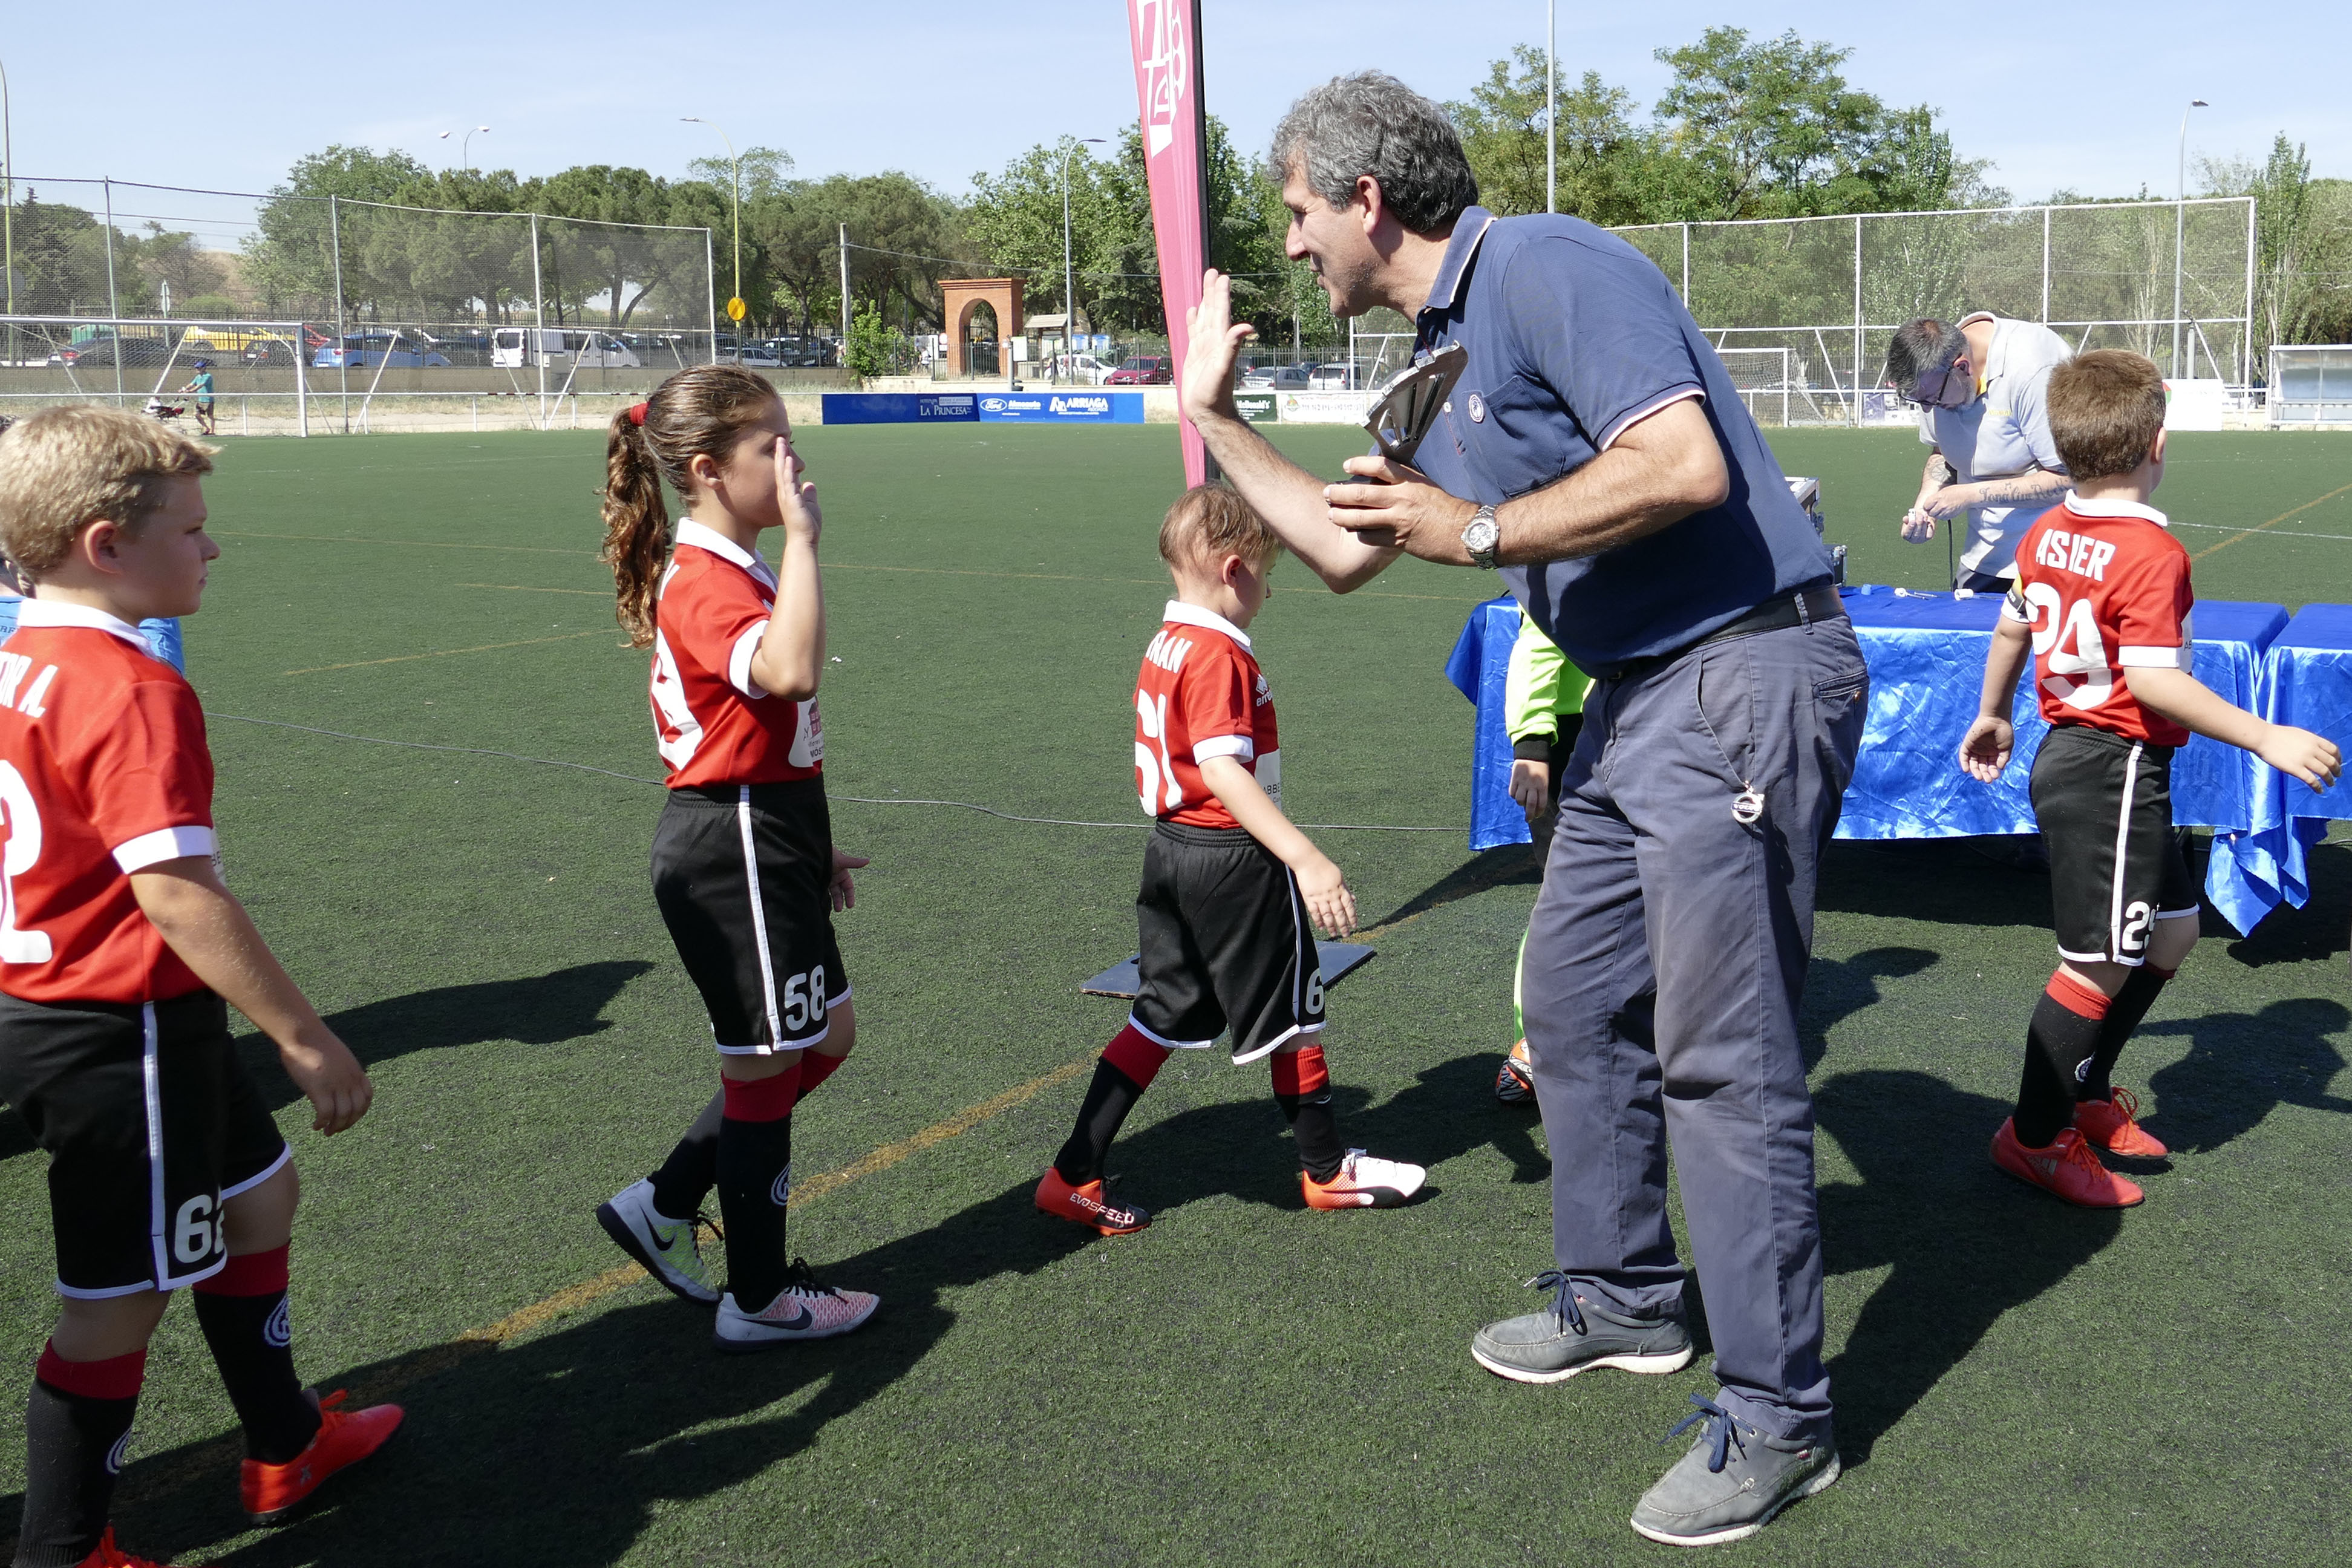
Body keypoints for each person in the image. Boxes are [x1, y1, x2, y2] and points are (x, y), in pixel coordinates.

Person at [1176, 71, 1861, 1546]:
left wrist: (1479, 528)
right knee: (1569, 995)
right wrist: (1209, 417)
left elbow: (1681, 464)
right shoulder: (1434, 353)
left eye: (1296, 211)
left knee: (1722, 1058)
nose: (1289, 244)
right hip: (1635, 692)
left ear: (1366, 201)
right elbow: (1346, 553)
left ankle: (1780, 1418)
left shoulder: (1546, 265)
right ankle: (1622, 1296)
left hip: (1740, 666)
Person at [0, 407, 398, 1568]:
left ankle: (286, 1440)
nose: (212, 547)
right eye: (190, 528)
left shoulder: (19, 660)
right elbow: (176, 895)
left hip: (106, 1012)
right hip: (113, 1030)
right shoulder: (129, 686)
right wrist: (304, 1035)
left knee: (259, 1198)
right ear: (104, 545)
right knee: (116, 1302)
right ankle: (64, 1549)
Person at [1958, 350, 2341, 1206]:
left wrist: (1994, 710)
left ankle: (2086, 1092)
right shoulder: (2152, 552)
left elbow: (2013, 623)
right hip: (2111, 767)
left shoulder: (2045, 530)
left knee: (2171, 936)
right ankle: (2033, 1137)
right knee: (2096, 965)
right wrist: (2266, 736)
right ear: (2157, 443)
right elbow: (2155, 681)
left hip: (2105, 763)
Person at [1036, 483, 1426, 1235]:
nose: (1268, 593)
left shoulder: (1169, 640)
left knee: (1161, 1012)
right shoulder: (1217, 652)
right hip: (1233, 858)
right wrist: (1305, 858)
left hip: (1172, 852)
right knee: (1295, 1017)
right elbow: (1221, 768)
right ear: (1234, 569)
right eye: (1268, 575)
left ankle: (1073, 1173)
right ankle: (1326, 1171)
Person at [590, 365, 878, 1353]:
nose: (792, 461)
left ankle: (665, 1201)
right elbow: (788, 672)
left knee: (826, 1038)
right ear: (708, 471)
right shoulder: (709, 578)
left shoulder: (740, 568)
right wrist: (805, 540)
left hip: (771, 831)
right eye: (770, 446)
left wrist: (811, 842)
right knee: (764, 1067)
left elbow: (768, 726)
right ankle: (757, 1295)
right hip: (732, 844)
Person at [1884, 313, 2073, 591]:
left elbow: (2071, 479)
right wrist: (1924, 508)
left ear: (1962, 367)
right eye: (1919, 401)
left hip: (2056, 560)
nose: (1927, 409)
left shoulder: (2034, 369)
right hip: (1983, 559)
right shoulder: (1934, 377)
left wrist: (1971, 495)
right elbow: (1942, 452)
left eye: (1933, 400)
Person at [1495, 609, 1589, 1105]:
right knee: (1566, 905)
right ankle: (1535, 1038)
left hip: (1661, 734)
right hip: (1576, 743)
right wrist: (1532, 745)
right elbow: (1540, 638)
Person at [175, 360, 217, 437]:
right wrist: (184, 389)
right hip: (201, 400)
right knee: (196, 414)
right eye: (196, 368)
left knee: (210, 416)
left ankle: (212, 431)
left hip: (208, 400)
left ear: (204, 368)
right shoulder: (198, 377)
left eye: (199, 368)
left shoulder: (208, 376)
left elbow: (200, 386)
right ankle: (206, 428)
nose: (197, 369)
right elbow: (191, 384)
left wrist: (190, 391)